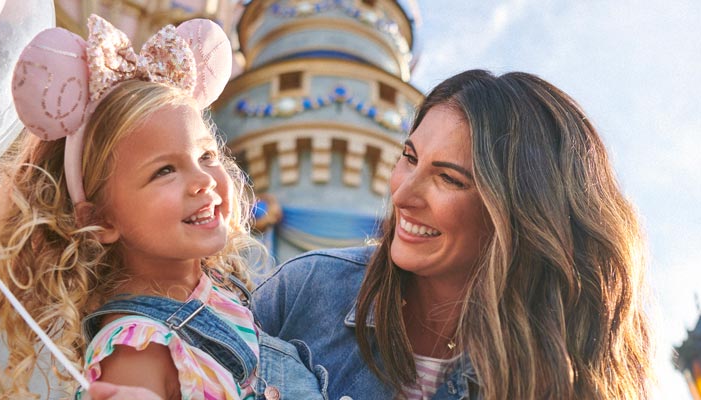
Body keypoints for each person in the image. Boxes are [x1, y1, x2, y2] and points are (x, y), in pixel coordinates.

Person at [0, 16, 323, 400]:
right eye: (165, 171)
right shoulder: (138, 346)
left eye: (206, 155)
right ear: (100, 220)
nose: (204, 179)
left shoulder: (219, 292)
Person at [254, 70, 654, 399]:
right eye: (409, 158)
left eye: (448, 178)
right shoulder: (306, 289)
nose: (403, 193)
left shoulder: (567, 372)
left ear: (518, 213)